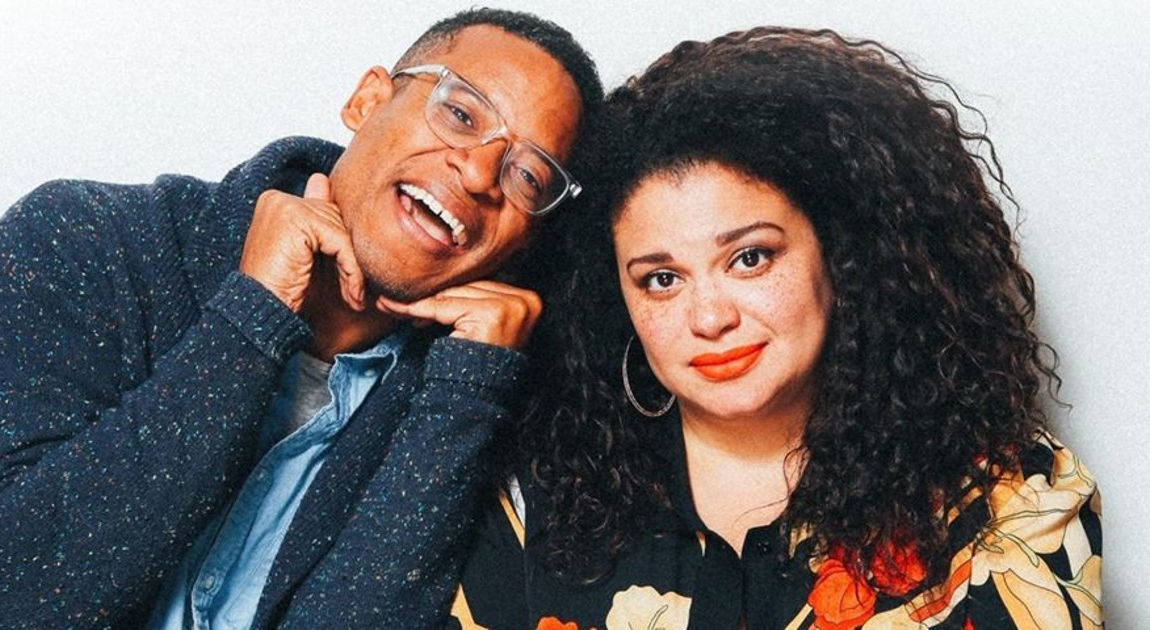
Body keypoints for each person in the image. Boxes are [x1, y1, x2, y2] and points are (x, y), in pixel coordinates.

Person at [0, 8, 602, 628]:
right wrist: (251, 316)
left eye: (527, 177)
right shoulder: (81, 241)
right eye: (460, 114)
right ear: (367, 101)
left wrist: (466, 394)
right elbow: (7, 601)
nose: (481, 173)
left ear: (527, 240)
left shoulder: (470, 394)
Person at [449, 27, 1102, 629]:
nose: (710, 317)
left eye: (750, 258)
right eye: (662, 279)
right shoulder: (532, 496)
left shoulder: (1005, 498)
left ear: (841, 256)